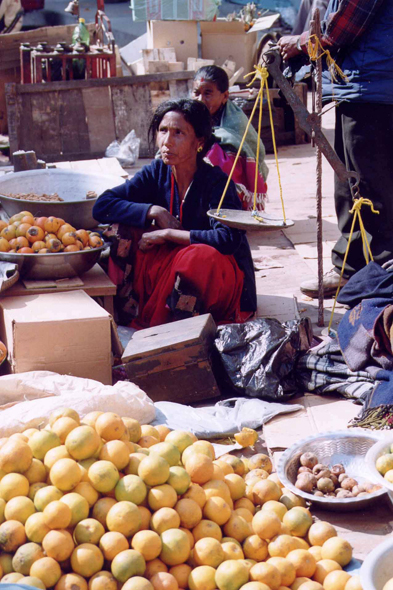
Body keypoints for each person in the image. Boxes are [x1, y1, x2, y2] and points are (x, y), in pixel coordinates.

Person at [93, 98, 257, 329]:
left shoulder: (217, 182)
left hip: (215, 275)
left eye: (178, 133)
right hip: (169, 262)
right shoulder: (157, 171)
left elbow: (227, 239)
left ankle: (181, 330)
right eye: (163, 131)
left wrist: (169, 234)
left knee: (197, 258)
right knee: (120, 231)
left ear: (199, 141)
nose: (167, 142)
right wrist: (153, 211)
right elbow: (103, 205)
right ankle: (125, 315)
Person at [278, 0, 393, 298]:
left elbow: (340, 31)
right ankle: (353, 268)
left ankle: (374, 279)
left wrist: (299, 42)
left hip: (372, 89)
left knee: (366, 189)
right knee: (355, 184)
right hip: (364, 86)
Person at [192, 65, 269, 212]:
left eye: (207, 94)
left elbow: (253, 152)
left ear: (225, 96)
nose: (200, 100)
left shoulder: (235, 121)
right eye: (196, 93)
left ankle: (228, 205)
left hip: (234, 178)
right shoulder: (189, 114)